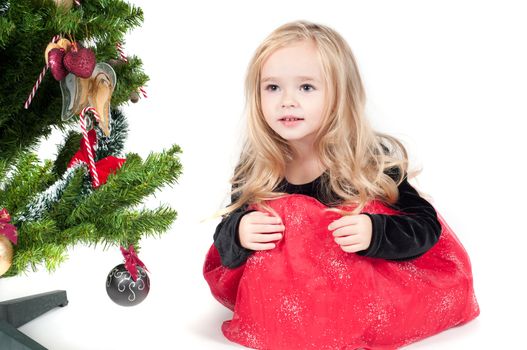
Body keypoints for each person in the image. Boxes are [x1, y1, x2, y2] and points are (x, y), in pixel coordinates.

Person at [204, 20, 479, 349]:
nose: (286, 101)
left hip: (361, 296)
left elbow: (425, 225)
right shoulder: (258, 165)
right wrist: (239, 232)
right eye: (272, 87)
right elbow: (223, 238)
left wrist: (375, 232)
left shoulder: (368, 161)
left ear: (339, 95)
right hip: (291, 300)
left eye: (306, 87)